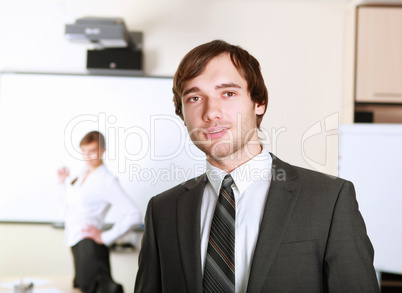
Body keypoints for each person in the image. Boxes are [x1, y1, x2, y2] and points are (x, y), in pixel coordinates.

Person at [134, 40, 380, 292]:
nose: (211, 112)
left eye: (228, 93)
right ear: (182, 114)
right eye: (195, 97)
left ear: (258, 101)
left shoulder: (329, 199)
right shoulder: (161, 210)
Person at [58, 131, 141, 292]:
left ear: (102, 150)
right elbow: (66, 211)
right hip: (76, 244)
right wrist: (61, 184)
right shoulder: (81, 174)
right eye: (84, 151)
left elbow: (135, 215)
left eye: (92, 151)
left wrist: (105, 236)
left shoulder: (106, 180)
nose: (87, 156)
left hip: (90, 247)